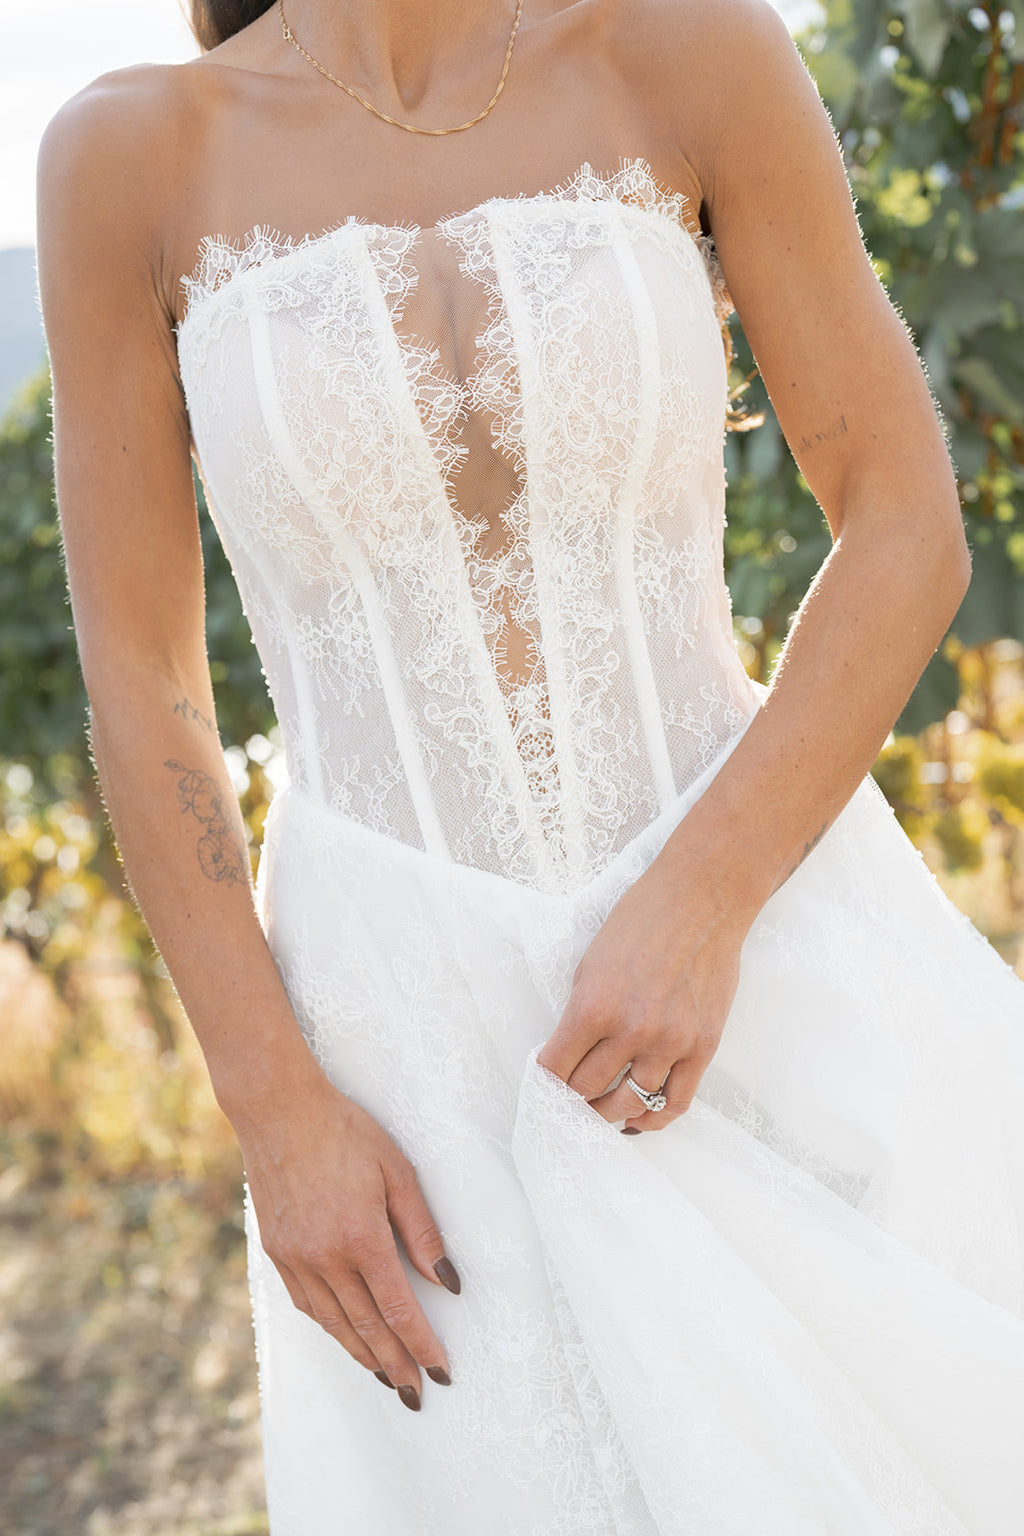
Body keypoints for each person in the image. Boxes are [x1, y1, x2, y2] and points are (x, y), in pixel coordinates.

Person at [36, 0, 1024, 1529]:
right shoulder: (131, 152)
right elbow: (146, 682)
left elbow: (904, 520)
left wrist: (701, 908)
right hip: (395, 1058)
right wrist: (275, 1107)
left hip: (762, 956)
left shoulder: (693, 54)